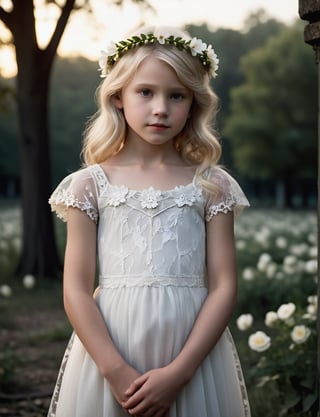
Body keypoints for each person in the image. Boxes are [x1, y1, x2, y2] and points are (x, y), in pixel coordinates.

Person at [48, 25, 251, 417]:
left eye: (177, 96)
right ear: (119, 96)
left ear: (194, 104)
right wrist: (115, 370)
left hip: (191, 353)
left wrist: (180, 372)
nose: (161, 108)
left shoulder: (212, 185)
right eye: (146, 92)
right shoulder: (89, 185)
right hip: (110, 349)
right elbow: (75, 289)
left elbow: (224, 287)